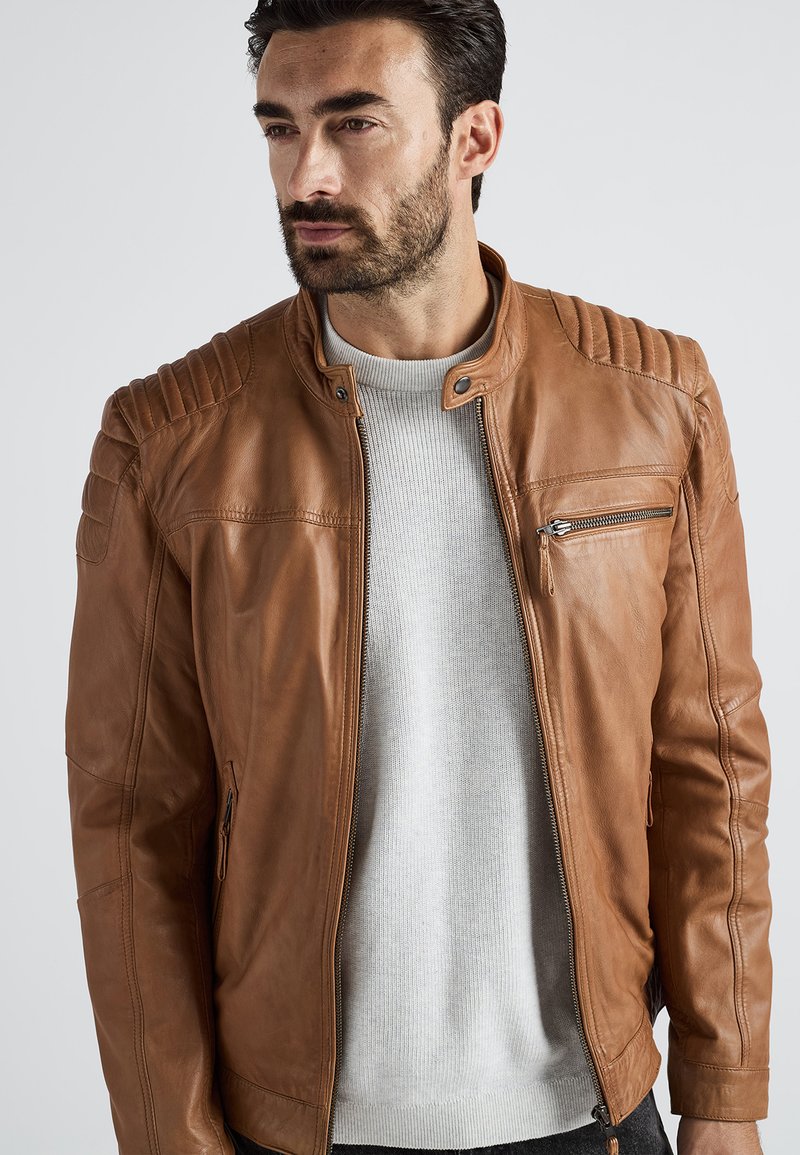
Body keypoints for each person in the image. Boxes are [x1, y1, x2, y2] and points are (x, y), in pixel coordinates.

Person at [64, 3, 772, 1154]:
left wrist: (724, 1097)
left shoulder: (653, 401)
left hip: (592, 1116)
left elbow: (710, 769)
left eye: (354, 124)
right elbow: (134, 824)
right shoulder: (170, 438)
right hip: (293, 1128)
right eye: (280, 128)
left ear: (472, 138)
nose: (307, 174)